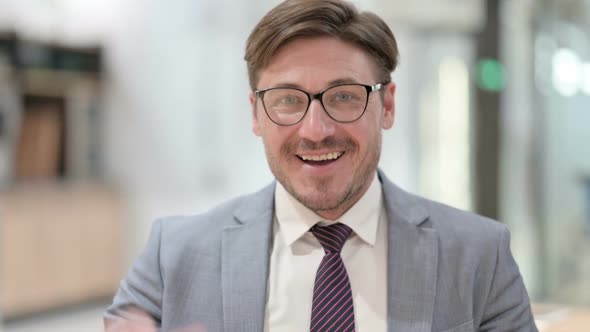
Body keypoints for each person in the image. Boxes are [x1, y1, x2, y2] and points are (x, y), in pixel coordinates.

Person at [104, 0, 538, 331]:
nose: (316, 129)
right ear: (256, 114)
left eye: (345, 96)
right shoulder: (173, 255)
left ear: (386, 105)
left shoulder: (480, 256)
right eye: (288, 100)